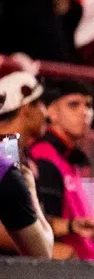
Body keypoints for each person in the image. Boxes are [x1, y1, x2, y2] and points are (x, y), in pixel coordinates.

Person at [30, 80, 94, 261]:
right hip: (69, 273)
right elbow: (40, 232)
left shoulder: (65, 158)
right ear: (51, 112)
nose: (84, 112)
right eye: (73, 105)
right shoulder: (45, 157)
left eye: (88, 105)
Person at [0, 71, 53, 257]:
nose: (47, 113)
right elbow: (43, 252)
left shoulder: (9, 152)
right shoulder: (5, 163)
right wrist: (30, 190)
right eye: (41, 104)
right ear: (26, 108)